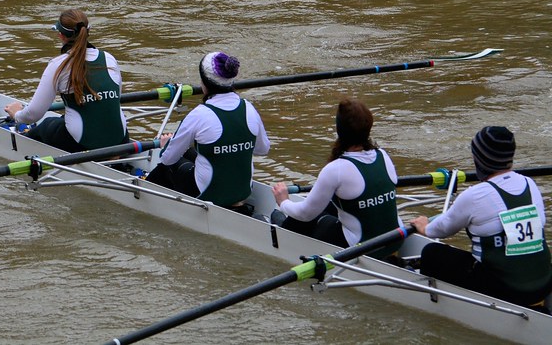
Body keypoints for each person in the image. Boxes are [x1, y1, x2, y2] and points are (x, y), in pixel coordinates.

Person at [409, 127, 552, 310]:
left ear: (479, 159)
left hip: (507, 290)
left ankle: (436, 304)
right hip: (544, 283)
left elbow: (442, 229)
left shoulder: (475, 195)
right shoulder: (529, 184)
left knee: (431, 252)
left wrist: (424, 227)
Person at [271, 98, 402, 259]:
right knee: (332, 206)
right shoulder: (383, 155)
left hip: (360, 248)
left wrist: (283, 202)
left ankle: (281, 229)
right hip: (396, 241)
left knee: (316, 219)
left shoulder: (335, 169)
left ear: (339, 131)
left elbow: (306, 214)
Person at [146, 51, 270, 214]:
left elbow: (168, 159)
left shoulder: (200, 114)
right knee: (193, 152)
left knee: (165, 166)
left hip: (205, 194)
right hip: (243, 193)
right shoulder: (249, 108)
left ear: (204, 83)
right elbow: (263, 149)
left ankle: (142, 195)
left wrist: (166, 144)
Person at [3, 9, 127, 152]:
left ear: (61, 35)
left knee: (48, 124)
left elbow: (33, 114)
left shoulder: (58, 65)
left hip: (80, 143)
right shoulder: (109, 59)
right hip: (121, 139)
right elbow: (114, 100)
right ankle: (114, 155)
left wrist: (17, 115)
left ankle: (22, 140)